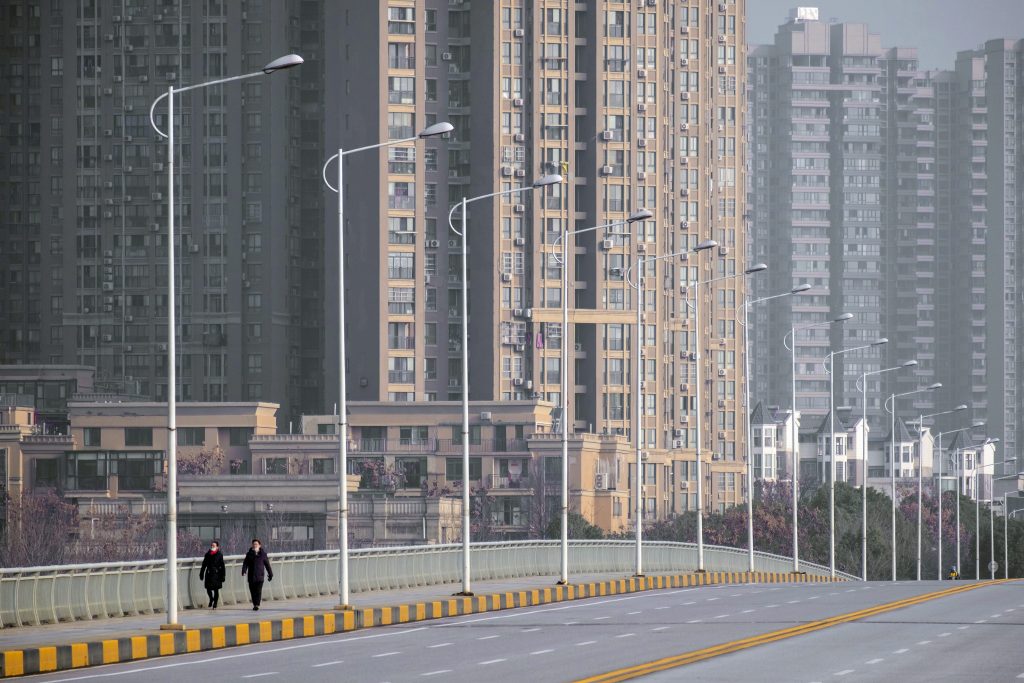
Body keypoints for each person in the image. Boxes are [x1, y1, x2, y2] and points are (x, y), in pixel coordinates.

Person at [241, 538, 273, 611]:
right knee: (252, 591)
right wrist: (244, 571)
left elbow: (267, 565)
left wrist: (270, 574)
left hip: (260, 576)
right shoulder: (249, 554)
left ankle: (257, 604)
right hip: (251, 576)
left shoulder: (263, 554)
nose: (255, 545)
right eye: (253, 544)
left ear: (259, 545)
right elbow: (245, 563)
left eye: (256, 544)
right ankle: (255, 604)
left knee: (258, 591)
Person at [198, 540, 226, 609]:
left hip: (217, 574)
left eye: (214, 545)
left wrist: (223, 575)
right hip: (209, 573)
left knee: (216, 589)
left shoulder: (220, 554)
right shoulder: (207, 554)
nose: (212, 546)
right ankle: (211, 598)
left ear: (217, 546)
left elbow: (222, 566)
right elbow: (204, 564)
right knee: (208, 588)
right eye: (211, 545)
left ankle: (215, 603)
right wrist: (201, 573)